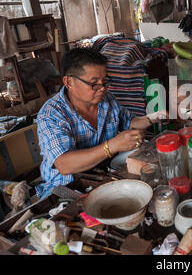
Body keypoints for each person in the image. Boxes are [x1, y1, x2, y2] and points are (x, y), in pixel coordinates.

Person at [35, 48, 166, 198]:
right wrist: (111, 146)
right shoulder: (51, 115)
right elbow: (64, 165)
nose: (102, 88)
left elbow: (129, 122)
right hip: (66, 188)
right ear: (69, 82)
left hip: (103, 171)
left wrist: (154, 117)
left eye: (105, 81)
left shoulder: (106, 99)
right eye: (94, 83)